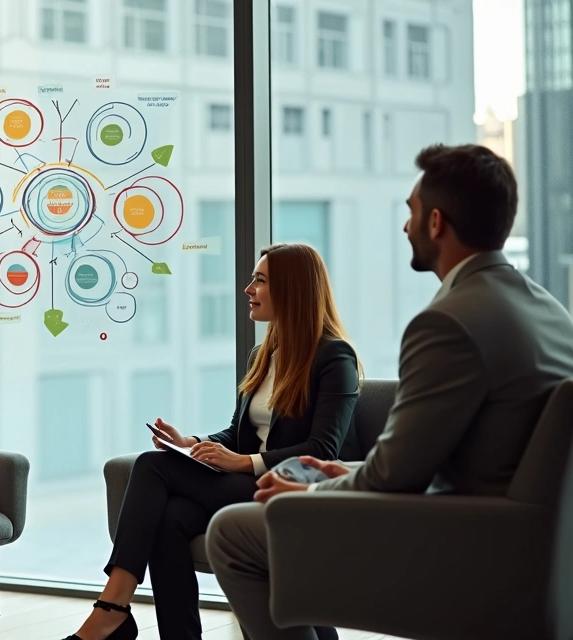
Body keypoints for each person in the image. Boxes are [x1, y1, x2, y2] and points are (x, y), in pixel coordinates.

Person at [206, 144, 573, 640]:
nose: (406, 227)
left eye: (412, 213)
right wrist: (345, 471)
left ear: (437, 222)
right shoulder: (548, 310)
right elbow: (435, 459)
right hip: (531, 545)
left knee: (232, 532)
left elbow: (395, 478)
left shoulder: (447, 323)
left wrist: (312, 490)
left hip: (456, 541)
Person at [64, 243, 361, 640]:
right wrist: (192, 442)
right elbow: (239, 432)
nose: (247, 289)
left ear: (292, 289)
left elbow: (322, 450)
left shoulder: (334, 357)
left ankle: (112, 609)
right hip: (247, 486)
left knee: (151, 466)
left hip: (293, 491)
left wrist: (241, 463)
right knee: (169, 519)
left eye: (260, 280)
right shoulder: (264, 353)